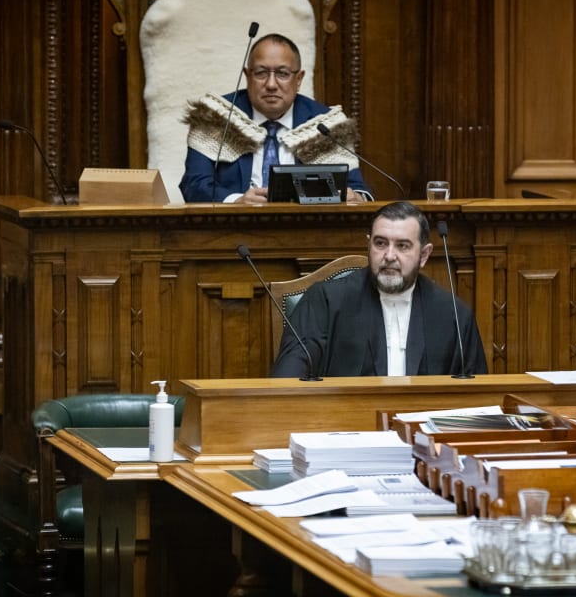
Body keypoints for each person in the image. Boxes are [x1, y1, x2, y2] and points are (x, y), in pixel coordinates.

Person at [272, 201, 488, 377]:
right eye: (381, 243)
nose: (389, 256)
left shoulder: (453, 314)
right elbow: (288, 380)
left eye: (402, 246)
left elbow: (474, 396)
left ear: (424, 255)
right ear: (369, 245)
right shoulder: (325, 301)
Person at [179, 33, 374, 203]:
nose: (271, 84)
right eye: (261, 73)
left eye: (282, 74)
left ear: (298, 80)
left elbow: (357, 188)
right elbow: (193, 184)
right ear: (248, 76)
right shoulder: (216, 117)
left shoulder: (325, 124)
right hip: (231, 231)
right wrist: (235, 200)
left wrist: (356, 197)